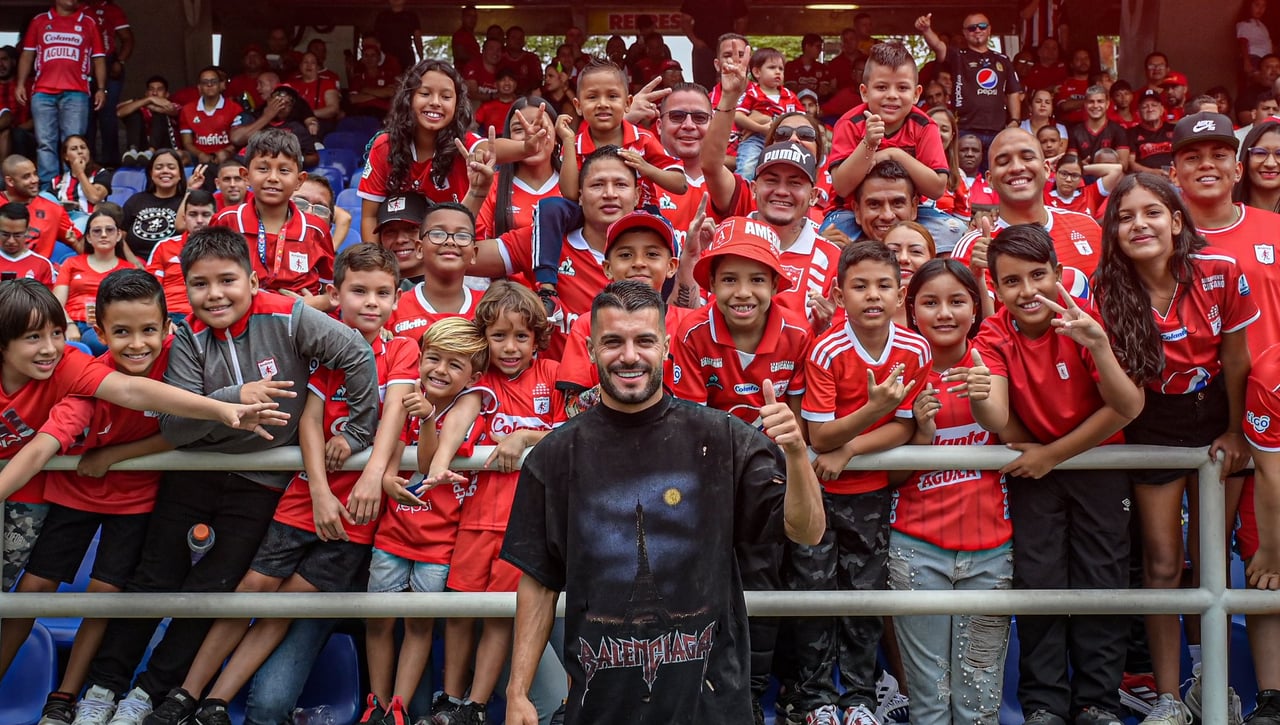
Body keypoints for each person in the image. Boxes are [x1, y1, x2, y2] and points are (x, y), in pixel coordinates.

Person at [70, 225, 380, 725]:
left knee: (212, 590)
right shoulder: (188, 334)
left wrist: (360, 432)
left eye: (227, 280)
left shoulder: (290, 315)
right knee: (153, 580)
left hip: (261, 485)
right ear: (186, 288)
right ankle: (104, 687)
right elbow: (178, 429)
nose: (214, 295)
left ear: (253, 281)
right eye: (199, 284)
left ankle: (148, 694)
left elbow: (358, 356)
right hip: (193, 473)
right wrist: (233, 400)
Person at [502, 276, 824, 725]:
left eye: (644, 341)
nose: (629, 356)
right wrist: (518, 690)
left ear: (667, 347)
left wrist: (796, 456)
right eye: (613, 341)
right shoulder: (556, 455)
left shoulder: (724, 438)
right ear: (591, 349)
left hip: (710, 706)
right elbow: (538, 581)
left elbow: (807, 531)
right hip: (600, 705)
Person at [145, 244, 419, 725]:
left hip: (359, 509)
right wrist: (318, 490)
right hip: (303, 497)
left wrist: (370, 472)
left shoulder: (401, 350)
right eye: (359, 291)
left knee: (284, 604)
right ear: (336, 296)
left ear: (398, 299)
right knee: (252, 589)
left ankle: (217, 698)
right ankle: (190, 695)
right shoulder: (320, 348)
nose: (370, 303)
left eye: (382, 293)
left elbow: (394, 411)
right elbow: (309, 421)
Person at [1094, 173, 1257, 725]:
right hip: (1152, 419)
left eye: (1152, 212)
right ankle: (1169, 698)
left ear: (1177, 221)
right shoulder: (1107, 291)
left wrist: (1236, 431)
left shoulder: (1220, 271)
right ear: (1113, 233)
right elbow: (1125, 393)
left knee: (1210, 557)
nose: (1139, 224)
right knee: (1163, 561)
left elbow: (1236, 362)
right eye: (1124, 216)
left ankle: (1214, 685)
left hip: (1217, 411)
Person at [966, 223, 1143, 725]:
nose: (1028, 292)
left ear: (1061, 274)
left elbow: (1127, 407)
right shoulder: (995, 333)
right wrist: (981, 392)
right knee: (1039, 581)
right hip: (1036, 475)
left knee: (1101, 581)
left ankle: (1097, 702)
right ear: (995, 289)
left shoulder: (1085, 321)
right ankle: (1043, 702)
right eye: (1012, 281)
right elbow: (997, 417)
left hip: (1098, 466)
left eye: (1038, 275)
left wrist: (1101, 347)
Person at [0, 269, 173, 723]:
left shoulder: (180, 360)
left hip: (135, 503)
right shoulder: (84, 374)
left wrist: (117, 454)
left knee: (103, 595)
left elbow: (187, 428)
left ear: (166, 328)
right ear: (100, 332)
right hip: (72, 495)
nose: (137, 343)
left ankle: (66, 696)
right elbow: (45, 443)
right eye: (121, 332)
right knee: (34, 590)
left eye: (148, 330)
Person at [430, 281, 564, 725]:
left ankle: (476, 705)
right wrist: (440, 462)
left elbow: (571, 439)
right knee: (462, 611)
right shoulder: (480, 381)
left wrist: (524, 436)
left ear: (537, 339)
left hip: (527, 525)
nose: (510, 347)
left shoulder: (552, 376)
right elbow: (460, 419)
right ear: (483, 339)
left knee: (501, 616)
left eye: (521, 336)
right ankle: (449, 701)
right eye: (498, 336)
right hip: (475, 518)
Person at [892, 258, 1009, 725]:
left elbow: (1007, 428)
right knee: (929, 700)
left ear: (976, 307)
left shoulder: (993, 362)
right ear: (912, 309)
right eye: (930, 302)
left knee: (979, 701)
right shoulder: (898, 370)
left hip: (991, 551)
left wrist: (983, 393)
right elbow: (890, 479)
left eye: (957, 301)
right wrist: (920, 433)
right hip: (916, 549)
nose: (944, 313)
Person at [359, 316, 488, 725]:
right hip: (393, 532)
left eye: (455, 364)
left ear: (472, 375)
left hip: (439, 541)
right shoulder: (404, 394)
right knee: (378, 621)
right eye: (434, 358)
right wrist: (386, 478)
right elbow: (393, 450)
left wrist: (429, 417)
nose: (440, 370)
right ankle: (376, 707)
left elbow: (432, 460)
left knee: (417, 624)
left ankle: (398, 706)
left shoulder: (472, 407)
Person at [827, 42, 949, 243]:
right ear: (865, 92)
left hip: (910, 211)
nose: (892, 95)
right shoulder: (850, 123)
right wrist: (868, 144)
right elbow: (842, 187)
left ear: (917, 94)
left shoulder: (925, 125)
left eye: (902, 87)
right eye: (882, 87)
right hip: (849, 211)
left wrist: (895, 154)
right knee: (829, 244)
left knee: (954, 231)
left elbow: (936, 188)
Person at [951, 128, 1103, 286]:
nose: (1017, 167)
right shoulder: (974, 247)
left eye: (1028, 157)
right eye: (1003, 162)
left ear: (1046, 170)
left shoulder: (1088, 227)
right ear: (990, 180)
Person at [210, 128, 331, 303]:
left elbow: (332, 293)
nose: (273, 177)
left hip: (299, 323)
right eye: (263, 168)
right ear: (246, 176)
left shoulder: (315, 228)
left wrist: (315, 304)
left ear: (299, 181)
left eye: (284, 170)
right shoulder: (226, 220)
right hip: (242, 320)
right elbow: (207, 276)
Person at [558, 59, 686, 204]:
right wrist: (568, 140)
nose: (603, 104)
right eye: (592, 97)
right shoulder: (575, 145)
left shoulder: (643, 139)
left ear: (628, 103)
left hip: (641, 218)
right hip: (592, 218)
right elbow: (570, 194)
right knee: (552, 207)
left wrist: (646, 168)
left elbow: (680, 184)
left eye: (612, 96)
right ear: (578, 106)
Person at [16, 0, 106, 189]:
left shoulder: (88, 22)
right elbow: (27, 54)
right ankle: (48, 189)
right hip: (42, 91)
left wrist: (101, 88)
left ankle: (72, 186)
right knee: (45, 142)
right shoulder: (40, 21)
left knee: (74, 142)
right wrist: (20, 84)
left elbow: (98, 58)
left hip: (77, 92)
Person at [916, 11, 1022, 158]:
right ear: (965, 33)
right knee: (964, 176)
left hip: (997, 130)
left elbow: (1013, 92)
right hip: (965, 128)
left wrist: (1015, 121)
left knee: (995, 175)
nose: (977, 30)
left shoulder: (1003, 60)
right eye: (972, 28)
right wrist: (926, 30)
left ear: (989, 29)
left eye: (982, 26)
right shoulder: (958, 56)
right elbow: (939, 47)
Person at [389, 202, 482, 343]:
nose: (450, 241)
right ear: (419, 249)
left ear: (474, 254)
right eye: (438, 234)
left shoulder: (489, 307)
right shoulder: (393, 308)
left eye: (462, 236)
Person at [476, 97, 561, 240]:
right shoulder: (489, 183)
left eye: (540, 127)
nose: (530, 134)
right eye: (518, 129)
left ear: (557, 136)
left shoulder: (575, 185)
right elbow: (475, 247)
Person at [53, 206, 131, 355]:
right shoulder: (71, 263)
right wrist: (68, 324)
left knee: (100, 342)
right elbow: (56, 302)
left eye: (109, 230)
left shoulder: (129, 270)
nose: (103, 235)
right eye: (96, 231)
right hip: (70, 322)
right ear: (88, 237)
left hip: (105, 326)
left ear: (119, 235)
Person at [146, 189, 216, 324]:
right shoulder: (164, 246)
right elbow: (151, 290)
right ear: (184, 218)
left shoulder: (225, 248)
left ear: (215, 217)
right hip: (171, 315)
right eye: (193, 215)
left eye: (206, 214)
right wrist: (162, 320)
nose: (199, 220)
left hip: (210, 313)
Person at [734, 48, 801, 180]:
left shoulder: (790, 95)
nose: (778, 72)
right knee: (747, 168)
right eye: (772, 67)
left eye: (781, 69)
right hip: (756, 139)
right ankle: (742, 196)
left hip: (785, 141)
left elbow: (802, 119)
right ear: (757, 72)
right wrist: (760, 128)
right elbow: (737, 116)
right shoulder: (751, 93)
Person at [1, 153, 80, 258]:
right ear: (10, 181)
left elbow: (84, 246)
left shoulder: (54, 210)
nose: (35, 180)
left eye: (35, 174)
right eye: (26, 177)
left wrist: (75, 242)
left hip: (38, 272)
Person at [227, 85, 319, 168]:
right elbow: (236, 138)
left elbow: (313, 157)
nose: (282, 106)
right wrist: (267, 116)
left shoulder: (296, 128)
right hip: (243, 168)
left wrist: (294, 159)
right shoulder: (250, 117)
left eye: (287, 104)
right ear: (269, 100)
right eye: (278, 101)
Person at [121, 149, 184, 261]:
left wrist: (190, 191)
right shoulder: (135, 200)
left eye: (171, 167)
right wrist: (135, 263)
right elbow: (119, 237)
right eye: (159, 167)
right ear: (151, 173)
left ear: (180, 174)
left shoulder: (186, 201)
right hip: (135, 267)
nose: (165, 171)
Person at [178, 67, 242, 173]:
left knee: (222, 156)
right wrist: (200, 154)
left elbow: (237, 143)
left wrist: (222, 153)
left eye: (214, 81)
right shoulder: (187, 109)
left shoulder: (234, 108)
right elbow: (187, 142)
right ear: (199, 87)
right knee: (179, 155)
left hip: (224, 156)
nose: (209, 85)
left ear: (221, 85)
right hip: (197, 155)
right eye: (205, 82)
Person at [679, 0, 749, 89]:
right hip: (703, 48)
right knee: (702, 86)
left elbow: (742, 19)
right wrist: (695, 41)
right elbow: (685, 20)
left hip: (727, 48)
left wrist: (735, 40)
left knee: (731, 80)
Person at [116, 76, 181, 167]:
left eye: (159, 89)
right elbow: (119, 113)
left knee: (159, 114)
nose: (154, 93)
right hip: (142, 152)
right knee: (135, 114)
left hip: (165, 147)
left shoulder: (172, 105)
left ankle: (151, 152)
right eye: (151, 89)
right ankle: (133, 151)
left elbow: (172, 111)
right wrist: (148, 100)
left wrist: (146, 103)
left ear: (167, 94)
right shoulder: (142, 106)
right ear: (146, 93)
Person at [1067, 85, 1131, 167]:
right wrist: (1080, 165)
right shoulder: (1075, 131)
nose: (1095, 106)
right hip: (1083, 177)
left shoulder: (1119, 130)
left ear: (1107, 104)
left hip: (1111, 177)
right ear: (1085, 104)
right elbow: (1072, 165)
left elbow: (1124, 165)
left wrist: (1092, 167)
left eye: (1100, 101)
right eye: (1091, 102)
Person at [1043, 153, 1123, 216]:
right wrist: (1047, 164)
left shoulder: (1090, 194)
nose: (1068, 179)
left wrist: (1080, 168)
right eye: (1064, 174)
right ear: (1055, 174)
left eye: (1074, 175)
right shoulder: (1042, 198)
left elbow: (1116, 170)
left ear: (1081, 178)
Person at [0, 201, 56, 286]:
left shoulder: (42, 265)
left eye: (17, 235)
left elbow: (48, 298)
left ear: (27, 231)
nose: (11, 241)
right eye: (5, 234)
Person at [348, 35, 401, 116]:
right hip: (362, 114)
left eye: (373, 55)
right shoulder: (358, 78)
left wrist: (365, 90)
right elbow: (353, 99)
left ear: (379, 58)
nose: (369, 59)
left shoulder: (387, 75)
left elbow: (391, 92)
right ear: (362, 59)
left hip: (384, 114)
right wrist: (381, 94)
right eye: (366, 55)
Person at [1130, 90, 1177, 175]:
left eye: (1154, 105)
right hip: (1146, 179)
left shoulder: (1175, 129)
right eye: (1145, 107)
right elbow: (1130, 164)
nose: (1150, 109)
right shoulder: (1131, 133)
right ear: (1139, 112)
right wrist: (1153, 172)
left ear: (1162, 109)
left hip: (1176, 178)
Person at [1237, 120, 1280, 212]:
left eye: (1279, 154)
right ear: (1246, 158)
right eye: (1260, 153)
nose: (1270, 163)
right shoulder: (1226, 215)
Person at [374, 0, 422, 72]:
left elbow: (417, 37)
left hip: (405, 56)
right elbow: (376, 39)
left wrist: (421, 57)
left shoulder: (411, 16)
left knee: (406, 80)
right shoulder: (382, 16)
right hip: (387, 55)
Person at [787, 34, 832, 100]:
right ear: (807, 46)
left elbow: (824, 91)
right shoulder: (791, 66)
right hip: (796, 106)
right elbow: (791, 90)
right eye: (818, 46)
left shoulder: (822, 68)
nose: (820, 50)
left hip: (818, 106)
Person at [452, 4, 480, 68]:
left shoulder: (471, 36)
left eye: (474, 16)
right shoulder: (459, 35)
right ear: (463, 18)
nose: (472, 19)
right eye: (469, 16)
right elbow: (460, 55)